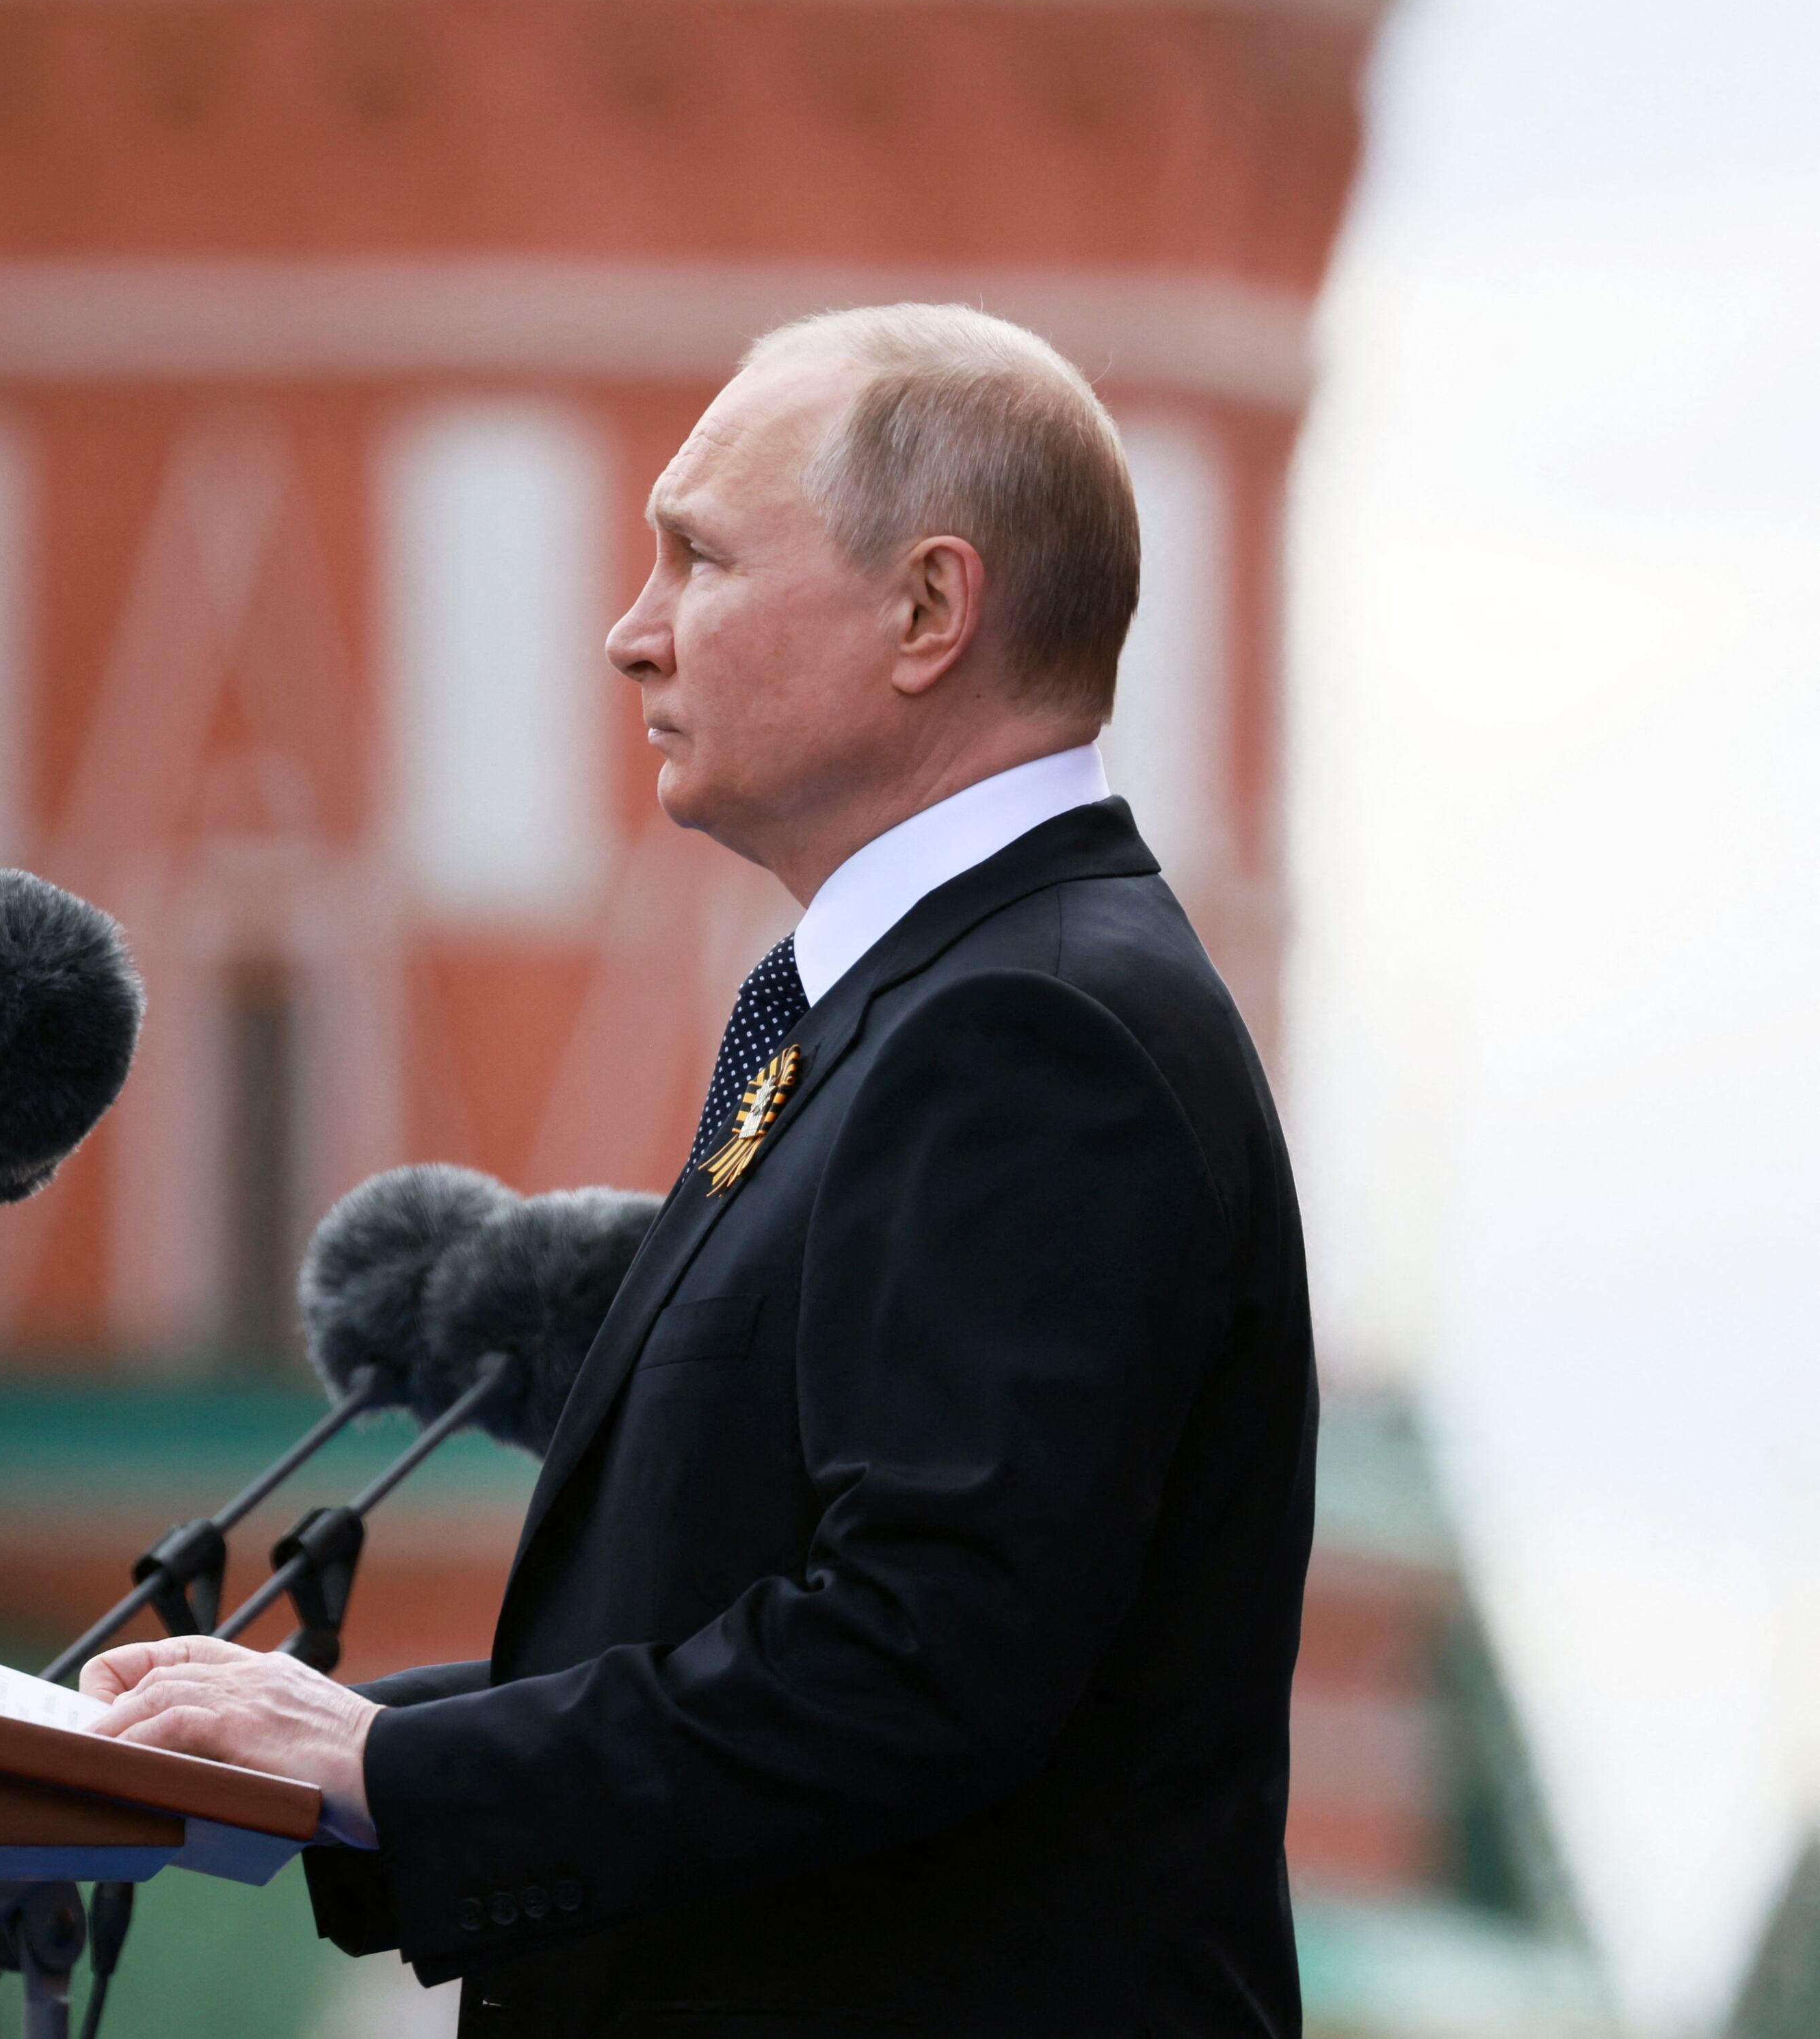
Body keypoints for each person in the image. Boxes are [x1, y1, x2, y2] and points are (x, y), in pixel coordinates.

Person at [80, 303, 1316, 2036]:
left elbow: (912, 1664)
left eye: (699, 560)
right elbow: (758, 1618)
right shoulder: (926, 1004)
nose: (626, 634)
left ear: (927, 612)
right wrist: (328, 1749)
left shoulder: (1032, 1034)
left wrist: (391, 1765)